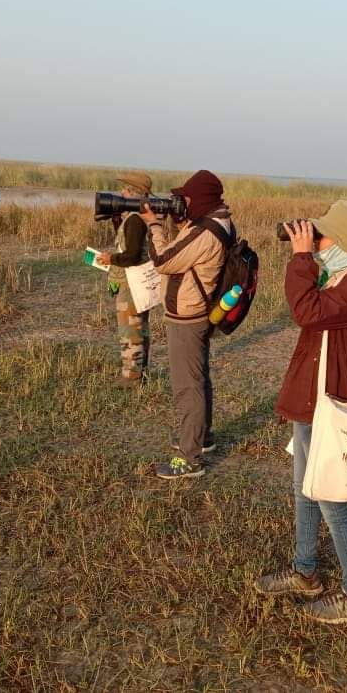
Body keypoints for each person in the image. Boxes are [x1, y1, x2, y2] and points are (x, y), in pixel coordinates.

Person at [254, 200, 347, 625]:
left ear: (344, 242)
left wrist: (300, 258)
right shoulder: (342, 275)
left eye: (323, 236)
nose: (316, 240)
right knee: (304, 491)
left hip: (330, 402)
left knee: (333, 501)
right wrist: (311, 259)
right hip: (311, 400)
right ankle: (305, 570)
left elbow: (306, 312)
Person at [141, 170, 233, 480]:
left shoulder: (206, 230)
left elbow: (164, 260)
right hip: (199, 312)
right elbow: (186, 252)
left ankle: (188, 457)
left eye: (187, 198)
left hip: (188, 317)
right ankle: (201, 437)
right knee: (199, 378)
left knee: (187, 387)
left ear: (201, 199)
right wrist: (182, 223)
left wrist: (154, 225)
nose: (182, 202)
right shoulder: (214, 221)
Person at [98, 173, 154, 387]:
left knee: (130, 330)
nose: (122, 193)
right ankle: (140, 372)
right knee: (139, 327)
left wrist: (110, 258)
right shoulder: (139, 216)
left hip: (130, 283)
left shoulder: (135, 220)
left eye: (126, 190)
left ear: (133, 192)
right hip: (136, 283)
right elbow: (131, 248)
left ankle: (131, 377)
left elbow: (130, 256)